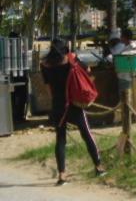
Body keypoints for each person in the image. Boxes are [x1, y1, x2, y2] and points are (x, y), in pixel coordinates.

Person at [40, 39, 106, 185]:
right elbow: (87, 70)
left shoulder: (44, 65)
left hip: (58, 105)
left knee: (60, 139)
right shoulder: (71, 60)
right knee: (86, 134)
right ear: (65, 49)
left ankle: (62, 175)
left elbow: (47, 87)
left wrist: (55, 102)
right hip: (73, 103)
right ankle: (99, 167)